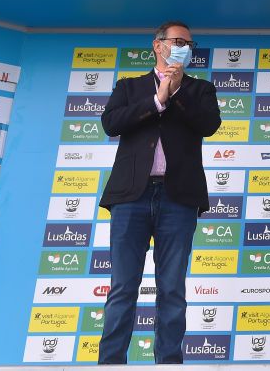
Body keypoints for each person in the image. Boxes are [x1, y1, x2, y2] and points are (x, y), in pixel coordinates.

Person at [98, 21, 221, 364]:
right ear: (158, 45)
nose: (183, 46)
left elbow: (209, 125)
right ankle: (110, 363)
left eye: (189, 43)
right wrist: (157, 99)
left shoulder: (200, 90)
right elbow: (111, 124)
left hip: (178, 198)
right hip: (130, 198)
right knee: (123, 286)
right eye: (177, 41)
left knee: (171, 288)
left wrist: (177, 91)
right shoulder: (129, 86)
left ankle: (168, 361)